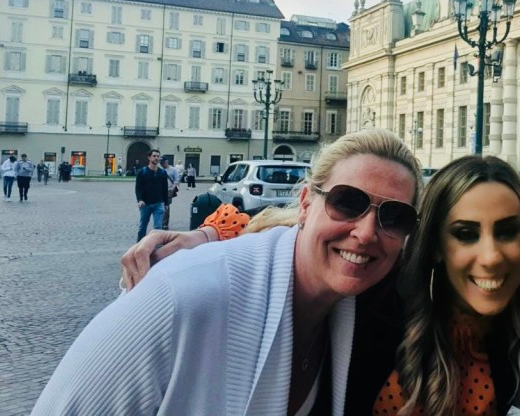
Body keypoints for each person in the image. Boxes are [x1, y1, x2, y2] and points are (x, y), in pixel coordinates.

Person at [32, 129, 422, 415]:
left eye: (395, 216)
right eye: (347, 202)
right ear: (305, 203)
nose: (367, 232)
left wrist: (211, 232)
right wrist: (209, 235)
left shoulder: (375, 307)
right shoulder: (181, 294)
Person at [374, 155, 520, 414]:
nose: (491, 257)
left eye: (507, 231)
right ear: (435, 246)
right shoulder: (377, 320)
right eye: (466, 234)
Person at [134, 150, 169, 241]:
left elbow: (165, 189)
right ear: (149, 157)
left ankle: (156, 246)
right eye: (154, 156)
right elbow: (138, 188)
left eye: (158, 156)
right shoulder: (142, 172)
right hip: (145, 204)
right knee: (143, 226)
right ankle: (139, 244)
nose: (156, 158)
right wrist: (139, 199)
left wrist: (166, 203)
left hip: (159, 203)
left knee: (158, 227)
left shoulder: (162, 173)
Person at [160, 157, 179, 231]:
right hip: (160, 190)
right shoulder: (160, 170)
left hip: (168, 190)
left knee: (166, 207)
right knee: (159, 206)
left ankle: (165, 223)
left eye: (163, 162)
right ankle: (160, 222)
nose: (161, 164)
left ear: (167, 161)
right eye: (160, 163)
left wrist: (173, 188)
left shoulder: (173, 170)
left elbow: (177, 179)